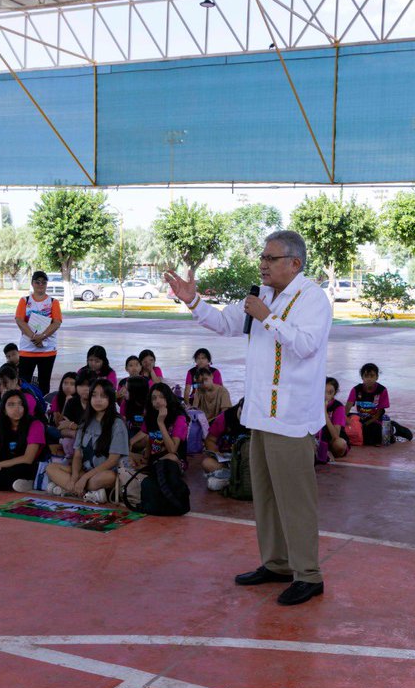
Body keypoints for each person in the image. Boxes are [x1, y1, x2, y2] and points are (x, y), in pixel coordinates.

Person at [165, 229, 330, 606]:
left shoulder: (312, 299)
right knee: (267, 496)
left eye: (270, 259)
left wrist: (269, 318)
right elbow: (225, 323)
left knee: (296, 501)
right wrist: (194, 302)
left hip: (291, 417)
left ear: (294, 263)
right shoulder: (262, 296)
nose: (263, 264)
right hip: (260, 415)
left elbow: (305, 346)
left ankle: (308, 573)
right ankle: (276, 563)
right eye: (262, 257)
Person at [45, 379, 127, 503]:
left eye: (103, 396)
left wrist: (84, 479)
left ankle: (68, 489)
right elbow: (78, 455)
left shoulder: (117, 424)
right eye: (94, 395)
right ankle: (85, 492)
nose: (98, 400)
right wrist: (74, 478)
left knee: (109, 477)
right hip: (84, 471)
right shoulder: (86, 422)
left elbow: (113, 460)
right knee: (50, 468)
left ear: (110, 399)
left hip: (102, 472)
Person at [14, 271, 62, 396]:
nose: (40, 285)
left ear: (47, 284)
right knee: (24, 381)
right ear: (32, 283)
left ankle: (42, 408)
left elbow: (56, 322)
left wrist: (42, 336)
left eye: (43, 282)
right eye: (37, 282)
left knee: (44, 383)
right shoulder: (24, 301)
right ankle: (26, 405)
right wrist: (34, 337)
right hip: (28, 348)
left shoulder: (53, 302)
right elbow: (19, 320)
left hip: (47, 349)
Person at [130, 382, 188, 469]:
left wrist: (160, 422)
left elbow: (172, 450)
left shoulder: (179, 417)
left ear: (168, 398)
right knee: (124, 456)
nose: (157, 401)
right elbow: (150, 438)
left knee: (169, 459)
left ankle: (149, 468)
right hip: (154, 457)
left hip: (174, 458)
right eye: (154, 398)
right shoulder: (150, 415)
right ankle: (149, 467)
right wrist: (145, 458)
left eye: (162, 397)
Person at [317, 377, 348, 463]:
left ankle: (327, 451)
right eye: (323, 391)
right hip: (316, 439)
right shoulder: (313, 403)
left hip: (332, 440)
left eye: (330, 392)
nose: (326, 396)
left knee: (340, 444)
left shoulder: (338, 407)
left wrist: (325, 414)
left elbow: (335, 435)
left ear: (335, 393)